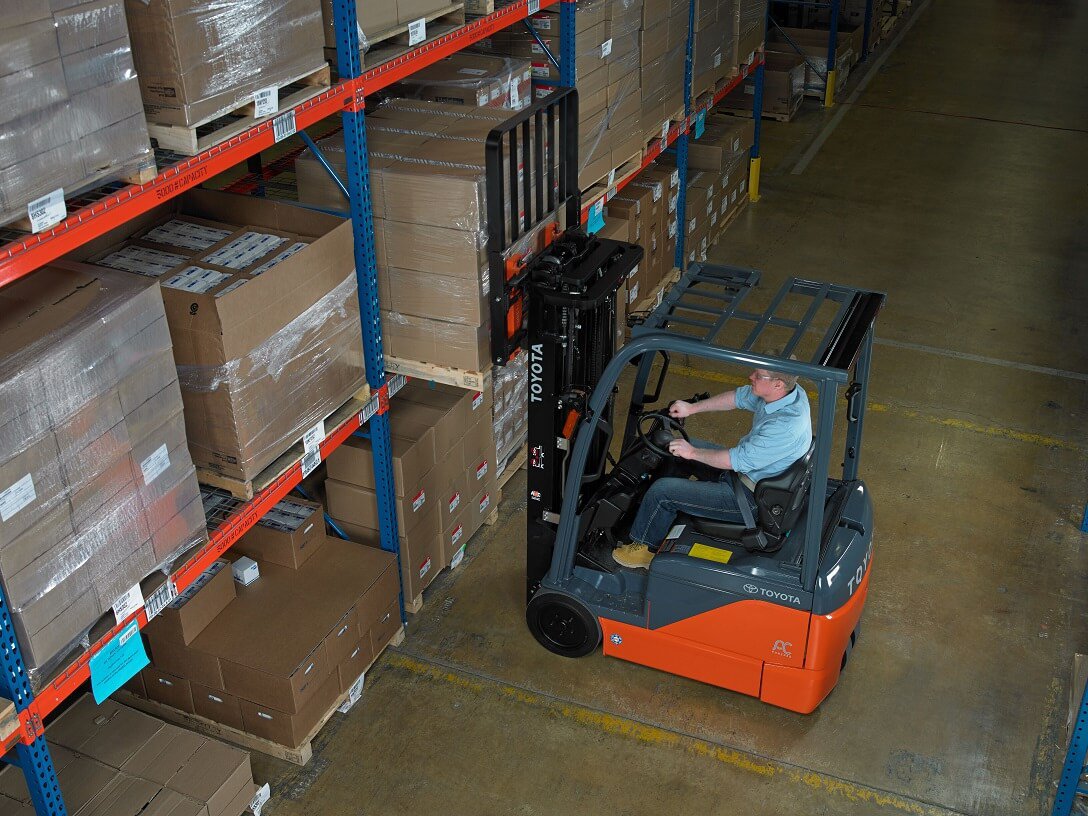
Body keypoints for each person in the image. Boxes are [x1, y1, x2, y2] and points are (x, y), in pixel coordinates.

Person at [612, 363, 813, 569]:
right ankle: (655, 513)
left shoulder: (784, 427)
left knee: (662, 492)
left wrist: (691, 452)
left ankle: (645, 550)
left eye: (759, 375)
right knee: (673, 450)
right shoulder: (787, 394)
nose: (751, 376)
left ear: (778, 384)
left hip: (747, 497)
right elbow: (737, 398)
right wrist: (691, 409)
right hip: (745, 474)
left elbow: (734, 460)